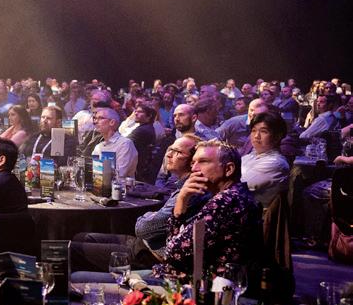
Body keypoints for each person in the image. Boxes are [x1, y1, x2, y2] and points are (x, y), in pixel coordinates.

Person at [70, 135, 204, 272]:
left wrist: (147, 216)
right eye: (171, 149)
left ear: (192, 161)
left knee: (71, 250)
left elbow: (144, 229)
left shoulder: (190, 192)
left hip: (151, 255)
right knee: (80, 237)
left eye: (178, 152)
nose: (169, 154)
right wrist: (151, 215)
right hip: (146, 243)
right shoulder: (181, 185)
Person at [155, 140, 262, 283]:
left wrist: (181, 200)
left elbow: (172, 253)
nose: (194, 169)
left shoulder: (225, 202)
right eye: (193, 163)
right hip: (212, 280)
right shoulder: (238, 194)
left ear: (228, 169)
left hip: (208, 287)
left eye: (203, 162)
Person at [241, 111, 290, 207]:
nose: (256, 136)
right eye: (254, 130)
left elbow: (238, 185)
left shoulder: (276, 163)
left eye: (263, 131)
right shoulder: (253, 154)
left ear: (277, 136)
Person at [90, 108, 139, 179]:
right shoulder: (98, 147)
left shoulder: (125, 144)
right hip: (99, 184)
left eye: (100, 118)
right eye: (95, 118)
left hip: (120, 185)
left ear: (112, 122)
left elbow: (121, 174)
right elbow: (93, 172)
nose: (95, 122)